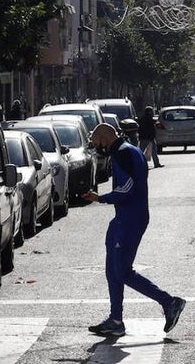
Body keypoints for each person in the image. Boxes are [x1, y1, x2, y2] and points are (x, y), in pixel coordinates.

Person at [81, 123, 185, 337]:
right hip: (123, 218)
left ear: (104, 137)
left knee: (122, 271)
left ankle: (169, 302)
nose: (96, 147)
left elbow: (127, 188)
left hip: (131, 218)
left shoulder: (123, 153)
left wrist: (101, 198)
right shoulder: (128, 150)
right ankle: (116, 320)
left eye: (95, 142)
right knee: (112, 271)